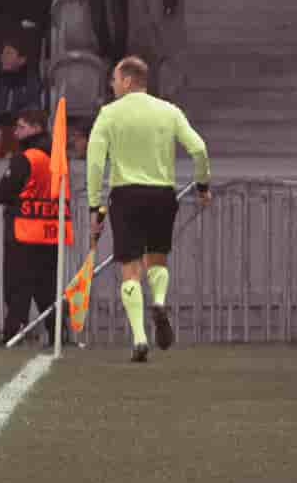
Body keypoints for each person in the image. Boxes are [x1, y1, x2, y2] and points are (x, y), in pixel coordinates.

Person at [84, 56, 211, 362]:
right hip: (162, 194)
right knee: (157, 257)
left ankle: (140, 338)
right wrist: (202, 186)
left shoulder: (109, 114)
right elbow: (199, 149)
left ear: (127, 80)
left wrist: (95, 205)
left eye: (115, 79)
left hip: (126, 194)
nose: (112, 85)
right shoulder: (169, 111)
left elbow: (95, 162)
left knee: (130, 266)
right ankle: (159, 301)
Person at [0, 108, 70, 344]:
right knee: (48, 290)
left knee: (18, 288)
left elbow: (1, 192)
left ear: (36, 128)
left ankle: (13, 335)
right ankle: (59, 335)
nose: (16, 132)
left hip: (24, 232)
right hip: (51, 232)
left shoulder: (26, 159)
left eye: (21, 127)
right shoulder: (57, 159)